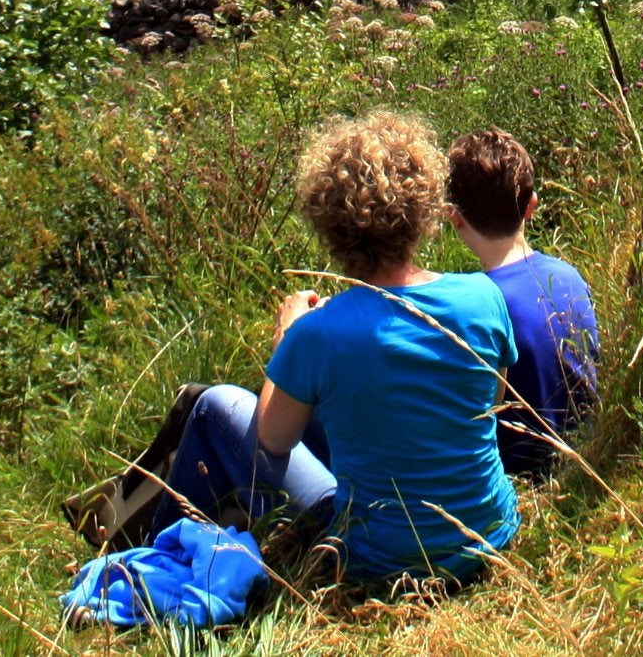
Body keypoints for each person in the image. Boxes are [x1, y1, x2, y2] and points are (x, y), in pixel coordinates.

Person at [157, 113, 519, 585]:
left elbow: (273, 441)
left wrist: (288, 338)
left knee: (213, 406)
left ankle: (154, 549)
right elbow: (489, 406)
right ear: (425, 209)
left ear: (329, 224)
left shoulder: (318, 336)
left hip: (381, 561)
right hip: (487, 537)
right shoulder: (482, 297)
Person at [446, 129, 598, 482]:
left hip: (518, 474)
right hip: (581, 455)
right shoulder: (568, 276)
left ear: (454, 216)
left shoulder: (475, 304)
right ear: (532, 205)